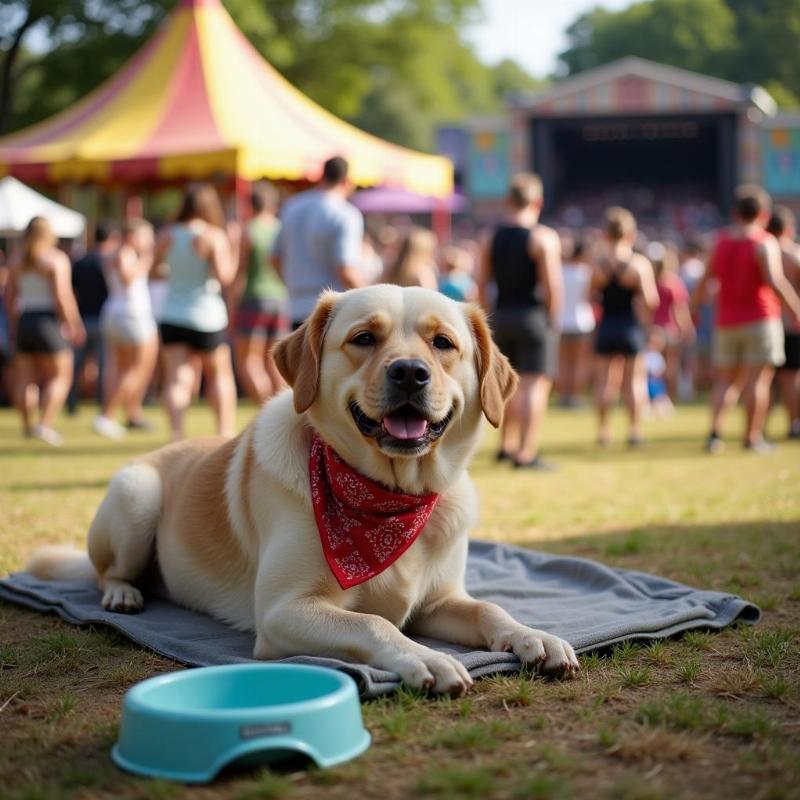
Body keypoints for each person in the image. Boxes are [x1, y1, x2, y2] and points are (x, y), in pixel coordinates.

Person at [694, 185, 800, 453]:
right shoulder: (764, 242)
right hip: (760, 319)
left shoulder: (718, 242)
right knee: (758, 381)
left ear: (734, 212)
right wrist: (796, 311)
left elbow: (704, 283)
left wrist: (692, 311)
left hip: (726, 321)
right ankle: (752, 438)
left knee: (726, 382)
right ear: (763, 214)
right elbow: (775, 282)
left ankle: (715, 434)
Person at [478, 172, 562, 470]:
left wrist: (485, 324)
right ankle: (526, 453)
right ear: (537, 201)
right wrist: (553, 321)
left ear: (508, 201)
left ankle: (506, 446)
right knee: (534, 385)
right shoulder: (543, 238)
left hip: (501, 315)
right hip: (532, 316)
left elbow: (481, 285)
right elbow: (552, 286)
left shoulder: (490, 237)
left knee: (507, 386)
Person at [154, 184, 237, 441]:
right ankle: (224, 432)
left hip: (172, 315)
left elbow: (154, 271)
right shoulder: (214, 236)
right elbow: (226, 276)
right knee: (219, 375)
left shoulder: (168, 234)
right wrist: (229, 248)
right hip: (206, 315)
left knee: (177, 378)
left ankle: (176, 434)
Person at [5, 217, 85, 445]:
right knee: (60, 376)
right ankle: (45, 425)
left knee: (25, 379)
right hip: (48, 321)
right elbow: (63, 297)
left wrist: (13, 326)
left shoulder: (16, 259)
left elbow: (10, 297)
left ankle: (28, 426)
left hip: (25, 320)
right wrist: (73, 324)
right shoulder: (55, 259)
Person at [591, 207, 659, 447]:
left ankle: (603, 432)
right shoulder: (638, 264)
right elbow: (652, 301)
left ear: (605, 233)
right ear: (630, 233)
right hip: (630, 326)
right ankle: (634, 431)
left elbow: (590, 296)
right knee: (634, 382)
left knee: (604, 383)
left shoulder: (598, 264)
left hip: (607, 326)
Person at [274, 156, 366, 328]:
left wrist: (292, 283)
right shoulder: (345, 213)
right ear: (347, 181)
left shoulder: (292, 206)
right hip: (333, 312)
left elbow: (274, 257)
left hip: (296, 307)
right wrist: (370, 297)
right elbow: (345, 269)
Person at [92, 219, 158, 439]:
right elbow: (127, 278)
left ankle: (131, 414)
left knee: (120, 368)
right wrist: (147, 260)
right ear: (134, 236)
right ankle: (108, 416)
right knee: (135, 369)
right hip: (131, 315)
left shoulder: (115, 252)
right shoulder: (125, 252)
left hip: (116, 313)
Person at [233, 182, 288, 404]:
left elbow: (239, 274)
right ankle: (282, 410)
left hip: (254, 299)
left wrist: (231, 306)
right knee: (275, 363)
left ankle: (266, 409)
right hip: (281, 299)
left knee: (249, 361)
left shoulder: (249, 230)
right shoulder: (281, 228)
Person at [68, 223, 116, 414]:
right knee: (105, 367)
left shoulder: (80, 262)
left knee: (76, 365)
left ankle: (71, 403)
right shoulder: (108, 263)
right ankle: (102, 405)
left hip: (82, 319)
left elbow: (72, 292)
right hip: (104, 320)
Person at [766, 206, 800, 438]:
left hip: (766, 323)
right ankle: (794, 424)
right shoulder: (795, 255)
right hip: (792, 325)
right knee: (791, 378)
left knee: (764, 379)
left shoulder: (761, 251)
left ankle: (758, 429)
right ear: (789, 228)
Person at [649, 241, 695, 401]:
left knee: (655, 367)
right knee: (671, 365)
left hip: (654, 329)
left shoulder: (651, 282)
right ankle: (668, 396)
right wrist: (687, 328)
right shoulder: (674, 282)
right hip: (670, 329)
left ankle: (658, 397)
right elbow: (680, 309)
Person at [557, 238, 595, 407]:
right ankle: (575, 396)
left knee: (563, 362)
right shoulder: (586, 273)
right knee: (579, 362)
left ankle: (564, 396)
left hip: (562, 321)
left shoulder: (560, 271)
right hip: (582, 321)